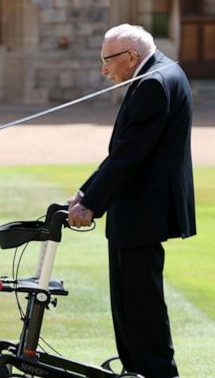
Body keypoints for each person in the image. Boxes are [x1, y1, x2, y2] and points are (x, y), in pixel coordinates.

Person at [68, 24, 196, 378]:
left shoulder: (153, 83)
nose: (104, 69)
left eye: (107, 61)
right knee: (128, 301)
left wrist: (91, 204)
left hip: (143, 210)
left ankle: (156, 372)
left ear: (130, 58)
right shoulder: (162, 71)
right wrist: (85, 191)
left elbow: (129, 156)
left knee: (141, 303)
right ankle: (135, 368)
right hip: (138, 208)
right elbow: (123, 152)